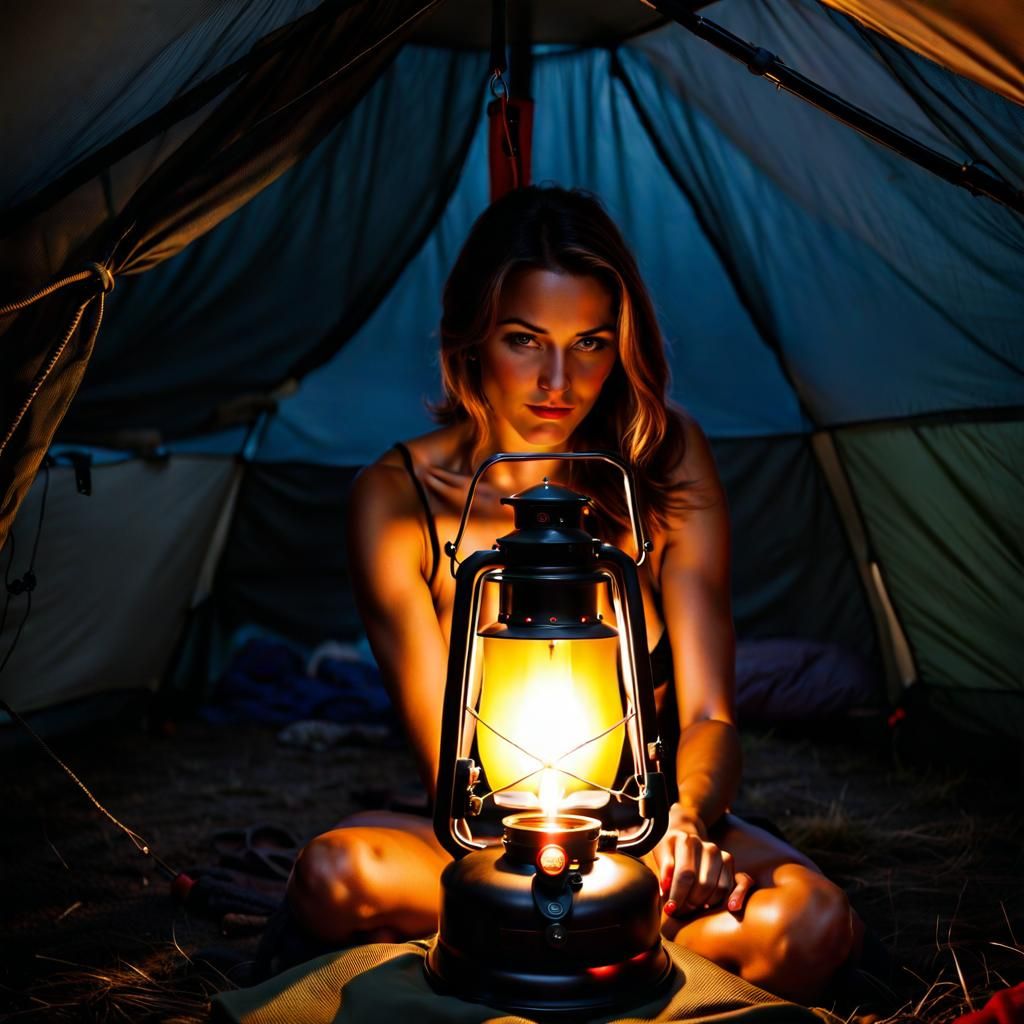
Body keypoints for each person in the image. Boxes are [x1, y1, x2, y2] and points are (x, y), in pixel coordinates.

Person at [287, 186, 861, 1003]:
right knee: (333, 878)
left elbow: (710, 715)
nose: (557, 381)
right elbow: (446, 773)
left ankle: (564, 944)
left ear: (621, 346)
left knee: (811, 925)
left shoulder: (664, 464)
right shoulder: (398, 500)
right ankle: (623, 950)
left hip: (650, 832)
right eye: (525, 340)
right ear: (472, 338)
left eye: (589, 343)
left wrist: (686, 828)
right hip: (484, 844)